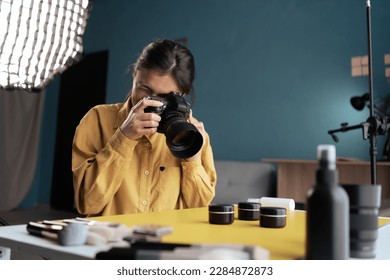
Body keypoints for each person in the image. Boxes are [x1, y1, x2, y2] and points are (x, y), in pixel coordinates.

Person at [72, 39, 217, 216]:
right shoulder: (97, 120)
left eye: (165, 96)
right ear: (135, 75)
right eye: (144, 89)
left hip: (170, 240)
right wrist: (123, 139)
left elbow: (200, 212)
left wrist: (192, 161)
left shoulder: (194, 137)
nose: (150, 101)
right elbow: (86, 203)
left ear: (182, 95)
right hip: (110, 238)